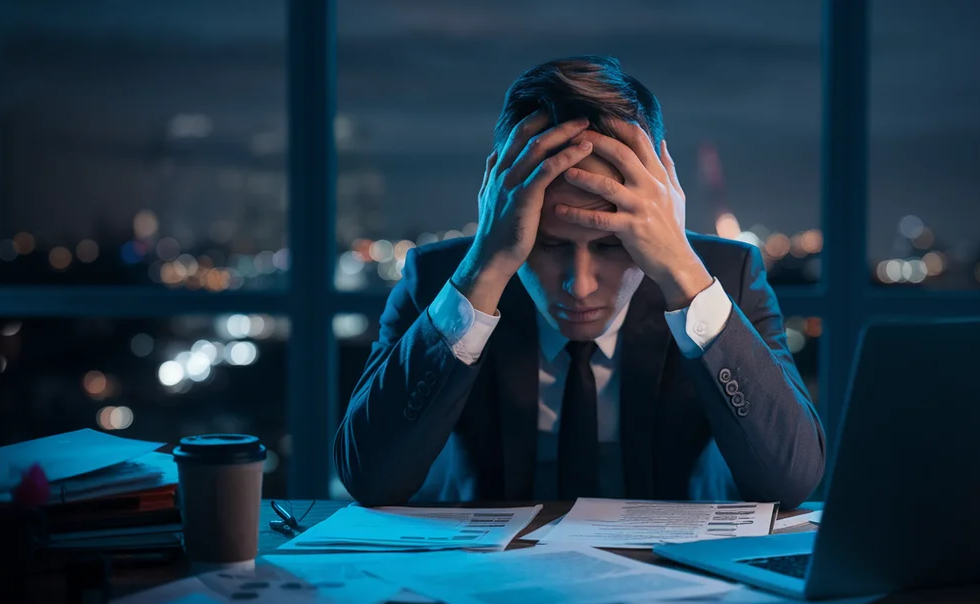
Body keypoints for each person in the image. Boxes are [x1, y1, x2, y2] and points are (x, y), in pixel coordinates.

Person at [335, 55, 825, 507]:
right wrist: (483, 269)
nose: (581, 285)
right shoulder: (441, 281)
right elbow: (370, 477)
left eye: (612, 245)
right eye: (548, 245)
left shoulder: (725, 277)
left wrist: (682, 270)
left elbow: (791, 478)